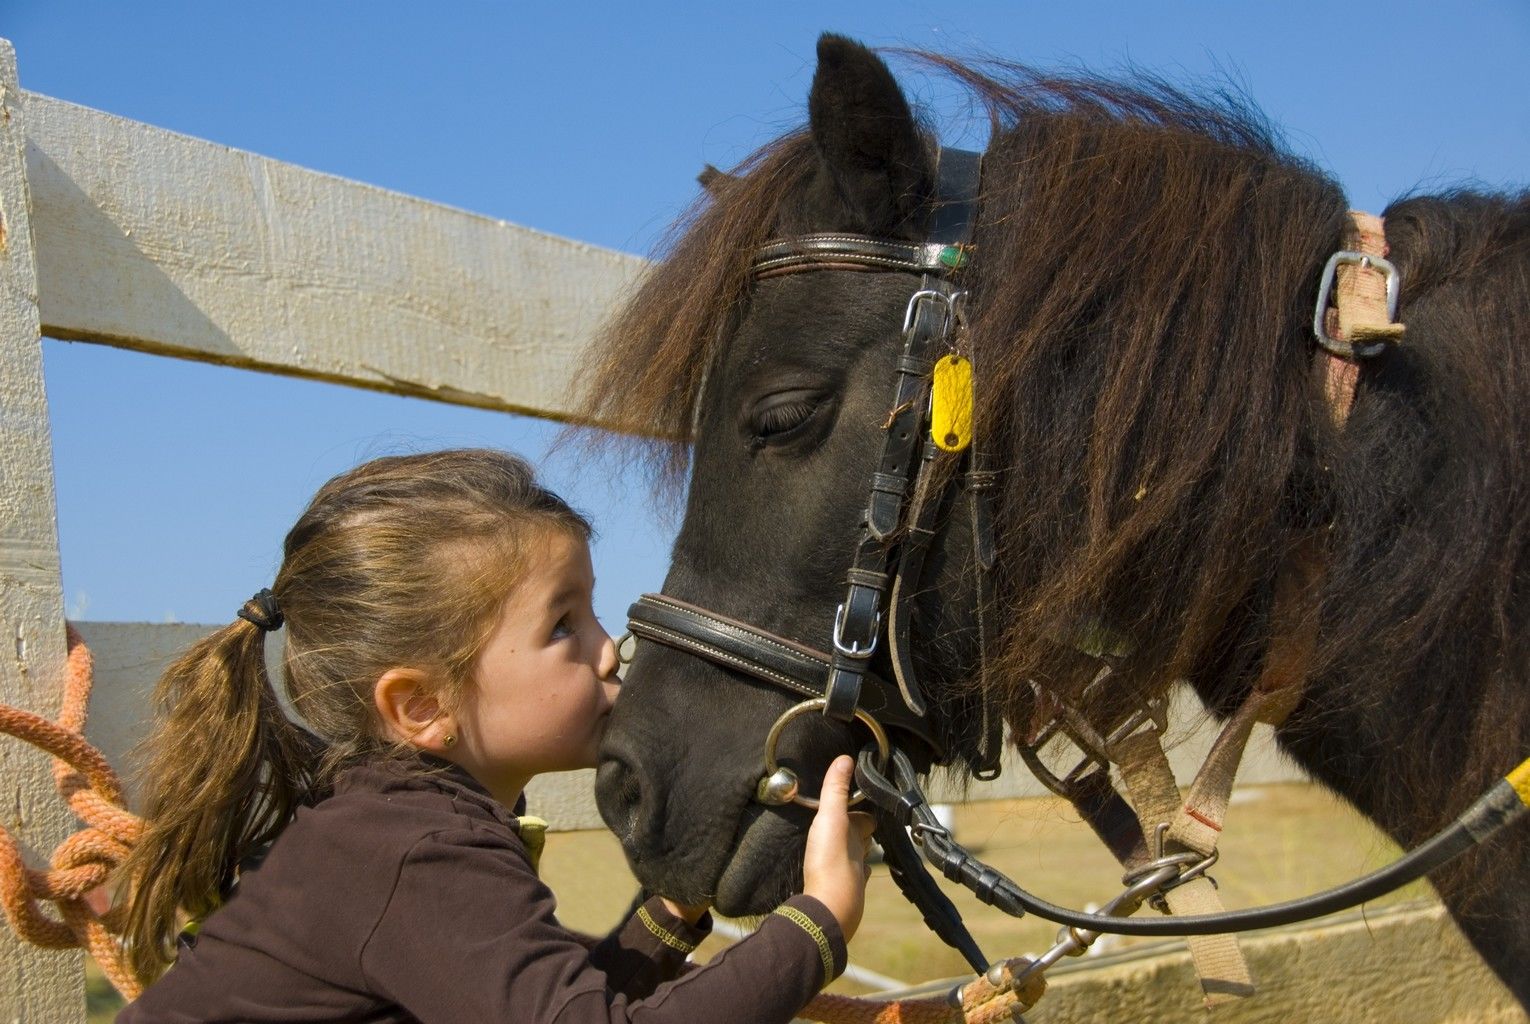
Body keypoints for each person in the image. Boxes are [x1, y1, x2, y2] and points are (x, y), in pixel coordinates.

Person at [116, 448, 874, 1023]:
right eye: (562, 624)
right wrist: (817, 924)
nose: (609, 649)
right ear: (420, 707)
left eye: (592, 612)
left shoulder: (392, 825)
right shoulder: (415, 852)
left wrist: (668, 914)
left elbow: (551, 1004)